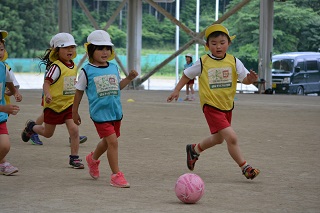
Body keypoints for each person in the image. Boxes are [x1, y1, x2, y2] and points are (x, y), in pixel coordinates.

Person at [167, 24, 260, 180]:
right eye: (214, 43)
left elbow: (244, 79)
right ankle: (245, 167)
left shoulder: (234, 61)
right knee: (232, 137)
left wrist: (250, 80)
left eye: (222, 42)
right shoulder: (203, 62)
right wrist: (176, 90)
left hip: (227, 106)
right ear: (207, 45)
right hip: (211, 106)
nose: (218, 46)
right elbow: (186, 75)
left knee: (218, 139)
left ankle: (194, 150)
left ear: (228, 43)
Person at [72, 30, 138, 187]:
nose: (105, 52)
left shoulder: (113, 67)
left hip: (115, 112)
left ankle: (92, 159)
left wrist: (128, 79)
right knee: (113, 142)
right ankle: (116, 175)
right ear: (91, 50)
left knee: (108, 142)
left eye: (107, 48)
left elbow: (117, 87)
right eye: (100, 48)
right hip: (100, 114)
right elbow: (79, 91)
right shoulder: (86, 71)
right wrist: (74, 111)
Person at [21, 32, 84, 169]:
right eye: (66, 48)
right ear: (57, 50)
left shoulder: (73, 65)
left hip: (68, 105)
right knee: (48, 134)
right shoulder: (55, 67)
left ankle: (74, 158)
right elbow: (46, 83)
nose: (70, 50)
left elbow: (69, 81)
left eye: (72, 47)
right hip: (53, 106)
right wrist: (48, 94)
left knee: (74, 131)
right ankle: (31, 127)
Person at [0, 30, 22, 175]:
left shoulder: (3, 67)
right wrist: (4, 108)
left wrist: (15, 92)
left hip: (0, 116)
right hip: (2, 110)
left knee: (5, 146)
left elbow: (8, 81)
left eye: (1, 49)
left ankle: (2, 163)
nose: (0, 52)